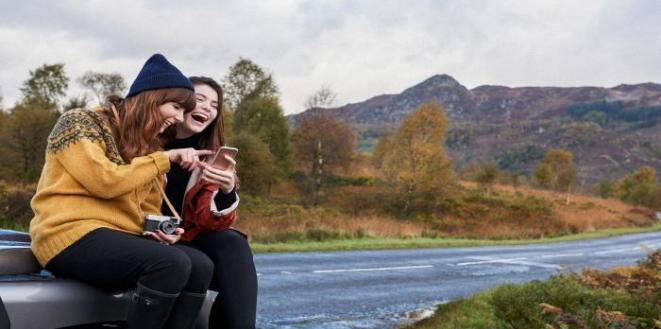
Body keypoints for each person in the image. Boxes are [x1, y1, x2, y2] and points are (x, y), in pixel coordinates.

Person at [30, 54, 216, 329]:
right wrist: (164, 160)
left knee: (201, 265)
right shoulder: (80, 122)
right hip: (68, 235)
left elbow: (147, 208)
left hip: (118, 238)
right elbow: (103, 181)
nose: (179, 118)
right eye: (176, 106)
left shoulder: (148, 146)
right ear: (152, 98)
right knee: (170, 264)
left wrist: (159, 231)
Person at [162, 76, 258, 329]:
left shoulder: (211, 156)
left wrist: (226, 190)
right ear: (179, 103)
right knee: (219, 272)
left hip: (185, 235)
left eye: (214, 105)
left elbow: (210, 222)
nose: (207, 108)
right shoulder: (147, 143)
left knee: (233, 243)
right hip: (146, 232)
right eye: (200, 99)